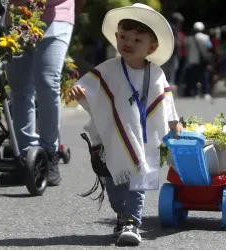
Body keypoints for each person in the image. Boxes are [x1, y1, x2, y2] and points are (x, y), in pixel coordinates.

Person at [69, 3, 181, 245]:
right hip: (113, 138)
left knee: (136, 180)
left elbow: (165, 101)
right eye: (123, 37)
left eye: (137, 40)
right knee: (114, 182)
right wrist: (80, 93)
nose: (127, 43)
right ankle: (121, 213)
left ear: (152, 46)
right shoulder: (108, 69)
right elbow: (90, 90)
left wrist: (174, 123)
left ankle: (132, 222)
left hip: (143, 137)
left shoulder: (156, 74)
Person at [0, 0, 85, 186]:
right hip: (17, 15)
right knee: (19, 87)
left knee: (47, 81)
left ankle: (49, 154)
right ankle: (25, 157)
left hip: (56, 15)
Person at [185, 21, 213, 101]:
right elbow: (210, 47)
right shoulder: (206, 37)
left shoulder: (189, 39)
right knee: (204, 76)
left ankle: (195, 93)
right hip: (202, 60)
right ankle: (206, 93)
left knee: (194, 77)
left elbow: (186, 47)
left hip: (192, 60)